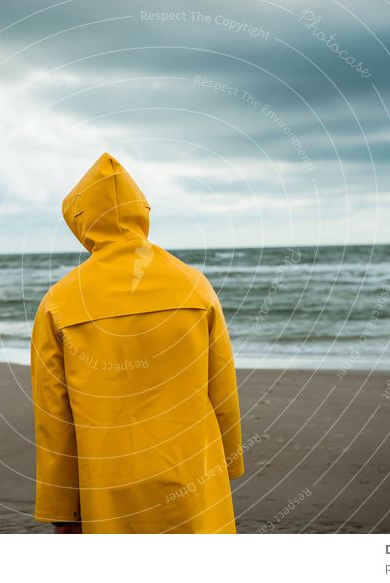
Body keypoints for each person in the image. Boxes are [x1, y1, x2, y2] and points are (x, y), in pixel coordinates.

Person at [31, 152, 244, 534]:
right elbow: (222, 390)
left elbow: (54, 418)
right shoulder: (195, 286)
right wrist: (228, 464)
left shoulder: (59, 301)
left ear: (81, 221)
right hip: (192, 473)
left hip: (107, 484)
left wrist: (61, 509)